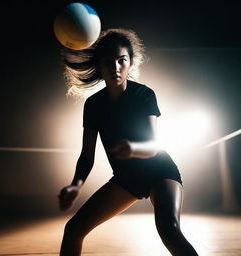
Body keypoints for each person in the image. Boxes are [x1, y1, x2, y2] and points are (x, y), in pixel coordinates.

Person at [58, 28, 199, 256]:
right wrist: (76, 184)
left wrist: (133, 148)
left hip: (160, 172)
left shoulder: (144, 95)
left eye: (121, 60)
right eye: (108, 61)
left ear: (130, 63)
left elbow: (154, 146)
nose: (115, 67)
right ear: (99, 66)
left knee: (169, 229)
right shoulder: (93, 105)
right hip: (127, 179)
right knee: (73, 229)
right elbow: (87, 155)